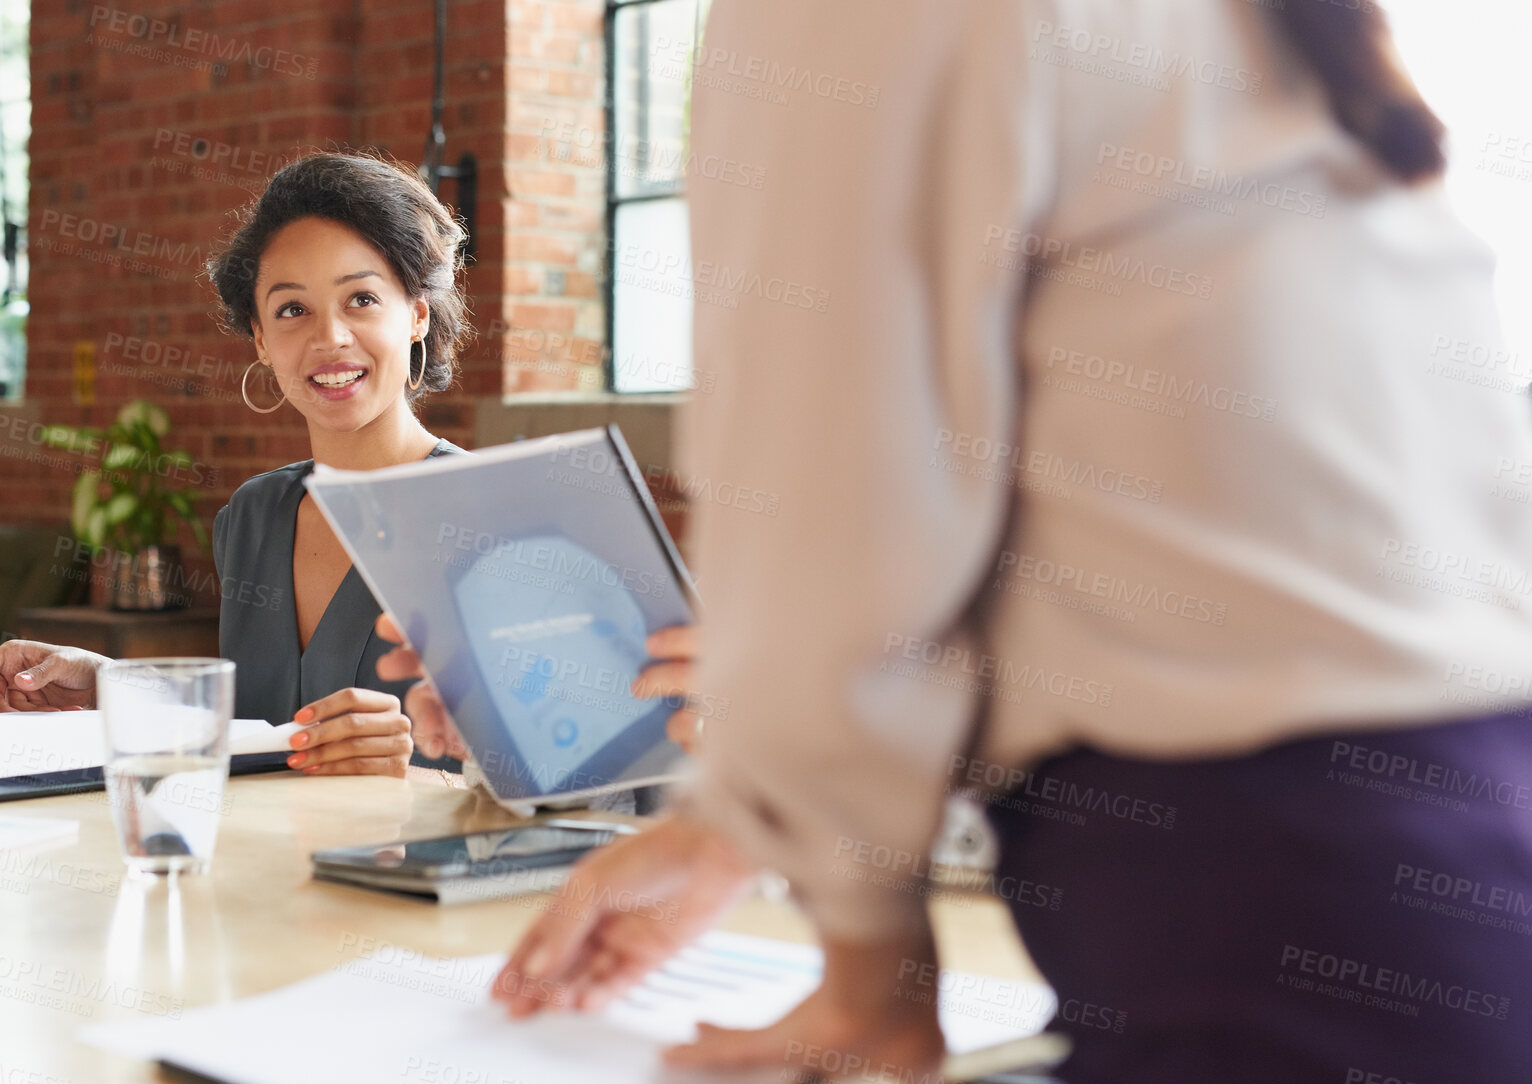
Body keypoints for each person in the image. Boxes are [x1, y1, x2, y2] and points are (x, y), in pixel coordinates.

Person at [490, 2, 1532, 1080]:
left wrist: (864, 956)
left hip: (1263, 898)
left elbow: (836, 487)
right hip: (1447, 850)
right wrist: (735, 830)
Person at [0, 152, 470, 778]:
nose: (329, 337)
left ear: (417, 314)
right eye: (292, 309)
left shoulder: (489, 514)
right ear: (260, 337)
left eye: (361, 299)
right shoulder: (253, 518)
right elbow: (251, 727)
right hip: (253, 867)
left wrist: (432, 770)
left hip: (413, 870)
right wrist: (103, 683)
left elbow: (589, 787)